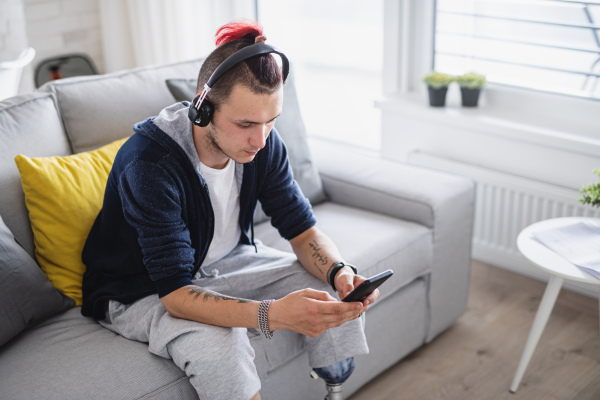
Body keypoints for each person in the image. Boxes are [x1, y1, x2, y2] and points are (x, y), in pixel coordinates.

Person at [81, 19, 379, 400]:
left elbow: (303, 231)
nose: (260, 140)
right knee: (223, 346)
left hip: (224, 261)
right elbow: (175, 294)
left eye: (271, 121)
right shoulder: (149, 165)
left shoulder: (265, 145)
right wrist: (274, 313)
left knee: (327, 289)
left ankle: (333, 385)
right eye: (246, 124)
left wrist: (340, 272)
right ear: (202, 110)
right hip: (141, 290)